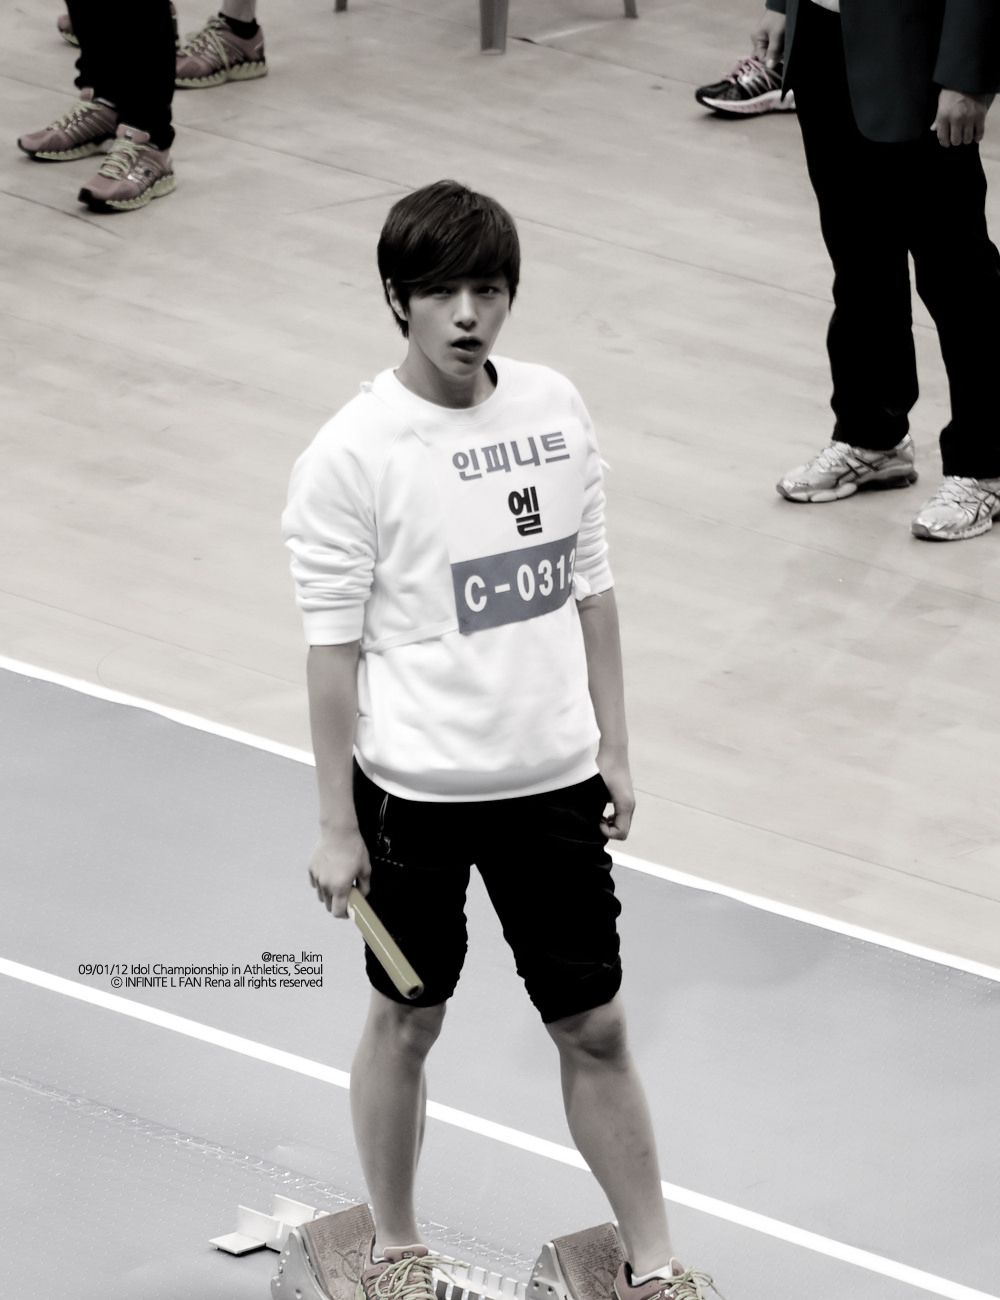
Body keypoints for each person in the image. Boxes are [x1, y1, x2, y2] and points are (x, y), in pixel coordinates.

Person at [282, 181, 722, 1300]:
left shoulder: (552, 407)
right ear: (399, 299)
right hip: (411, 800)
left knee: (596, 1025)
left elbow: (591, 587)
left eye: (488, 289)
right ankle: (394, 1251)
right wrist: (335, 824)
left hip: (551, 789)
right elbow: (332, 653)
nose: (469, 314)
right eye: (442, 293)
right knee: (407, 1017)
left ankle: (654, 1268)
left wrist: (614, 746)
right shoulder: (353, 452)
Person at [762, 0, 1000, 541]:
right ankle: (872, 435)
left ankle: (986, 463)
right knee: (858, 258)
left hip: (916, 50)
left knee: (956, 275)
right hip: (824, 33)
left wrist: (969, 75)